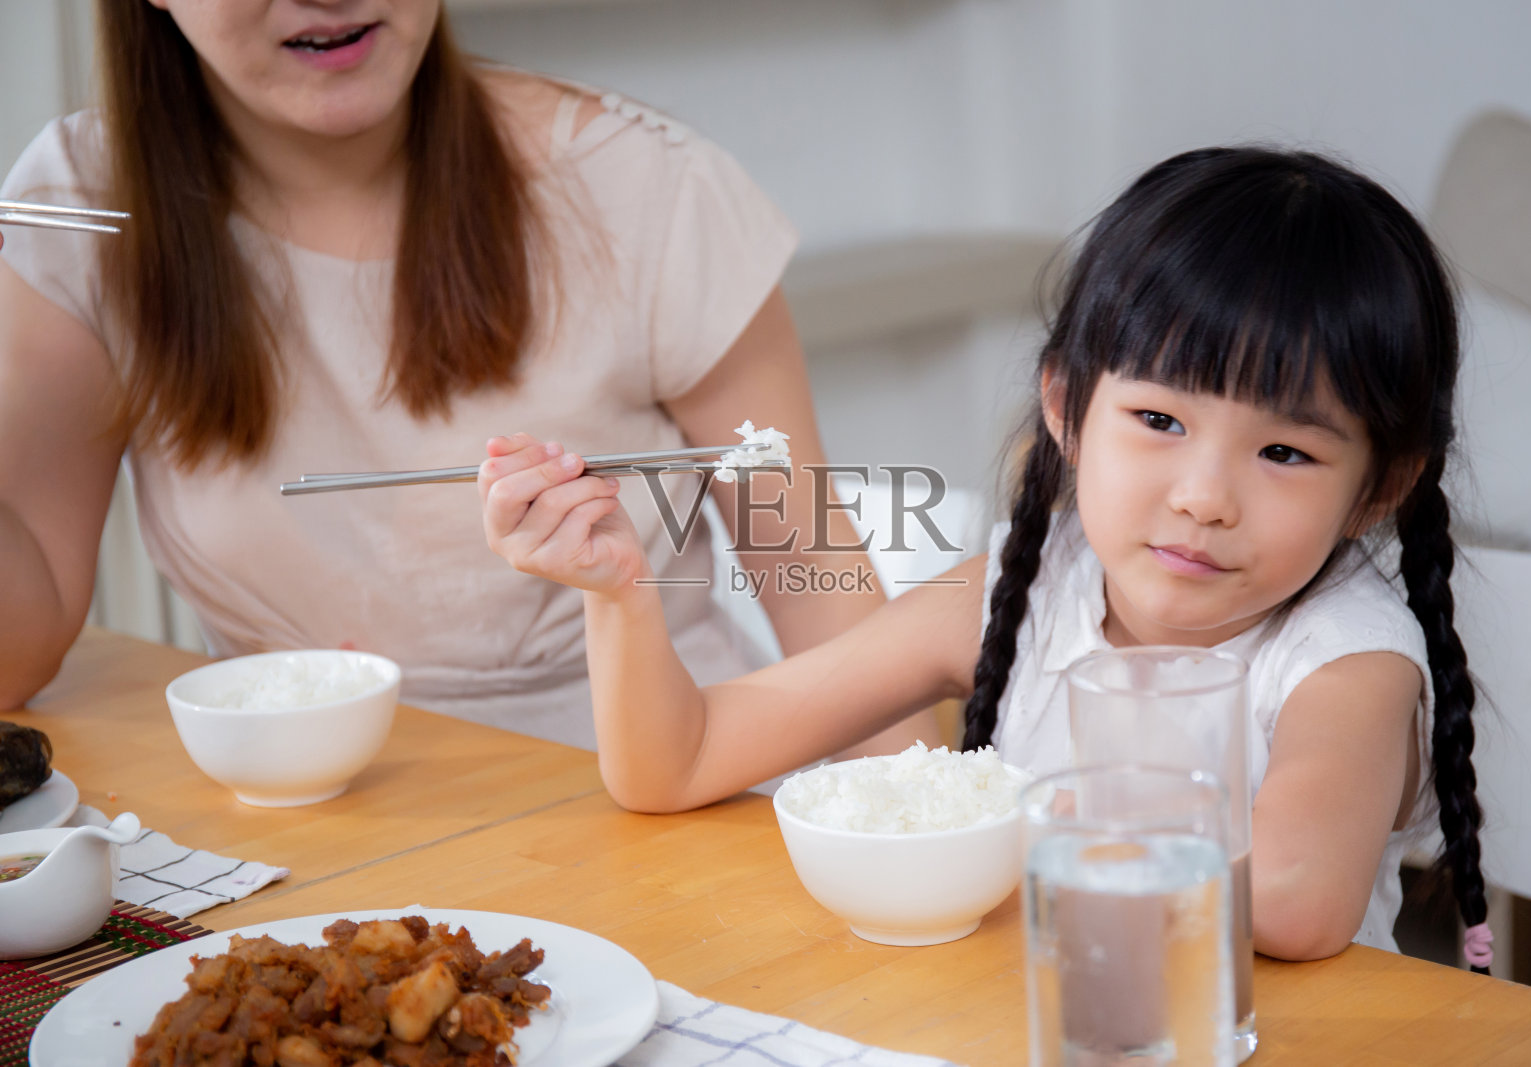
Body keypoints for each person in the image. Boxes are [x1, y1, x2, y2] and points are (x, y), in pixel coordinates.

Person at [478, 146, 1493, 966]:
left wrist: (981, 825)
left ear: (1377, 486)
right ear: (1065, 409)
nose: (1202, 495)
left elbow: (1294, 899)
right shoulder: (1029, 585)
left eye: (1283, 451)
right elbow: (681, 760)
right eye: (1156, 418)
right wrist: (617, 592)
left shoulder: (1343, 657)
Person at [0, 1, 929, 753]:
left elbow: (827, 603)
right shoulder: (82, 209)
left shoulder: (643, 186)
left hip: (664, 805)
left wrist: (925, 864)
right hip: (304, 839)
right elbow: (20, 651)